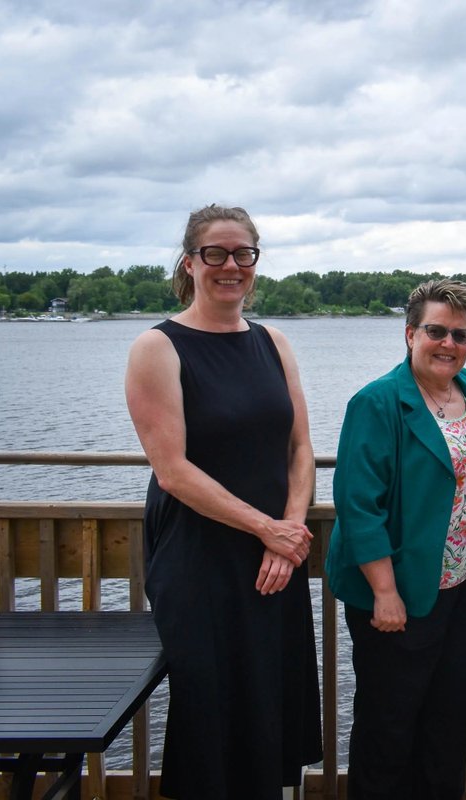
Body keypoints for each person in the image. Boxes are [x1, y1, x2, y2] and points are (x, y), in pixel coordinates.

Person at [124, 204, 322, 799]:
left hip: (274, 560)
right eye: (215, 253)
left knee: (270, 705)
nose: (230, 265)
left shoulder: (274, 342)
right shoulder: (157, 347)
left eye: (243, 253)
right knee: (211, 712)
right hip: (199, 557)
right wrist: (267, 528)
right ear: (190, 262)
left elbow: (301, 448)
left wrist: (288, 534)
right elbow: (173, 471)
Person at [325, 279, 466, 799]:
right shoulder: (377, 402)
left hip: (459, 586)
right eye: (436, 331)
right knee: (388, 731)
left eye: (461, 335)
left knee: (451, 725)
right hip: (398, 593)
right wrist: (385, 592)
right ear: (410, 334)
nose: (448, 343)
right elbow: (359, 506)